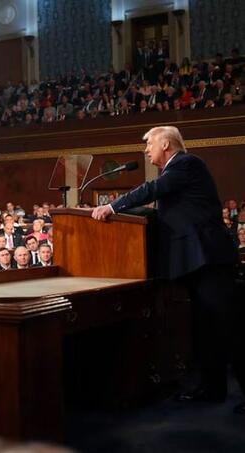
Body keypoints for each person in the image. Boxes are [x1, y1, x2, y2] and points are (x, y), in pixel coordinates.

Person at [92, 126, 241, 409]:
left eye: (149, 143)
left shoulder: (186, 163)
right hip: (196, 261)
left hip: (209, 259)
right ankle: (212, 388)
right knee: (206, 330)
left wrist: (112, 207)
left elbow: (151, 190)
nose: (146, 150)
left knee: (227, 327)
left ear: (166, 144)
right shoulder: (175, 171)